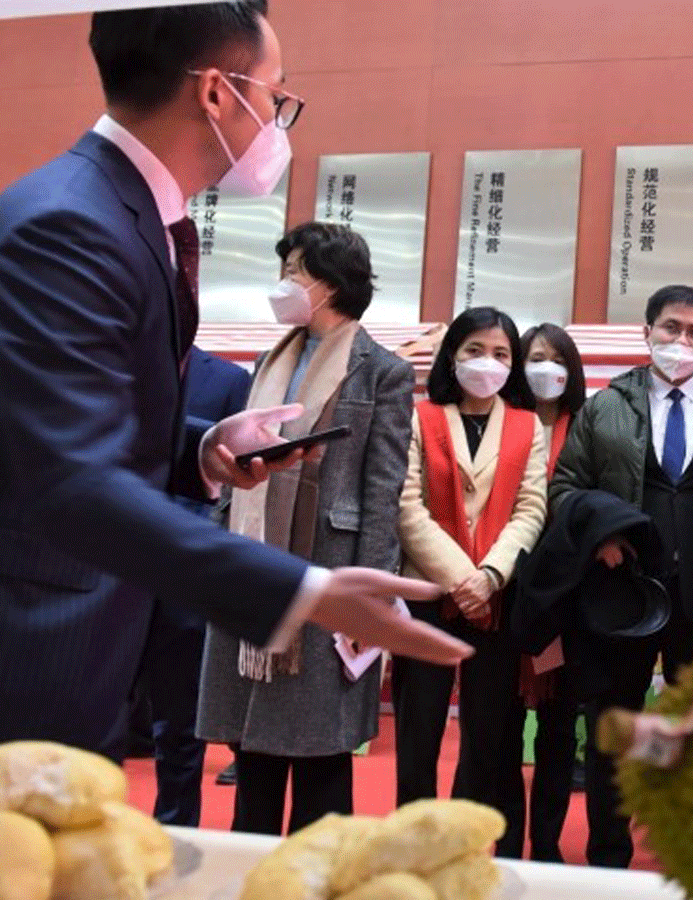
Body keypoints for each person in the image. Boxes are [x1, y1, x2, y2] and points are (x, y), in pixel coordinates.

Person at [0, 2, 466, 758]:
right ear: (217, 93)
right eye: (276, 96)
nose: (277, 121)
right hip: (14, 645)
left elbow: (64, 424)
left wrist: (203, 449)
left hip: (71, 630)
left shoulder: (121, 212)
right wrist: (301, 590)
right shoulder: (68, 228)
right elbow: (68, 479)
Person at [196, 222, 413, 835]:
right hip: (255, 566)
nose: (285, 283)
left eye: (296, 271)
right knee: (255, 745)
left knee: (322, 750)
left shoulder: (382, 371)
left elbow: (382, 487)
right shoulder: (272, 357)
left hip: (328, 572)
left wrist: (369, 594)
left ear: (332, 282)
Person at [550, 284, 693, 868]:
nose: (681, 341)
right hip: (622, 596)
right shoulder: (604, 407)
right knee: (612, 732)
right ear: (647, 333)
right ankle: (609, 856)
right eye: (670, 328)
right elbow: (565, 488)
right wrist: (602, 534)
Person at [394, 307, 548, 858]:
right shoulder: (421, 417)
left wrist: (489, 577)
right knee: (418, 733)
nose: (488, 363)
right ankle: (412, 849)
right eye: (475, 351)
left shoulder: (530, 426)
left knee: (491, 736)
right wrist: (462, 580)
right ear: (452, 355)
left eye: (502, 354)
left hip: (498, 598)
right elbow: (407, 507)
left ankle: (479, 852)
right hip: (430, 596)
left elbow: (531, 510)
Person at [134, 345, 250, 825]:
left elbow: (240, 481)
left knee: (180, 724)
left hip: (187, 569)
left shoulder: (225, 379)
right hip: (106, 563)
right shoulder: (113, 365)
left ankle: (176, 834)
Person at [518, 322, 588, 863]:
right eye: (535, 357)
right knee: (498, 730)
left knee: (559, 732)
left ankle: (545, 843)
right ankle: (500, 841)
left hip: (566, 601)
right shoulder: (505, 424)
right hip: (509, 594)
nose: (547, 369)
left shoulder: (588, 425)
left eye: (557, 358)